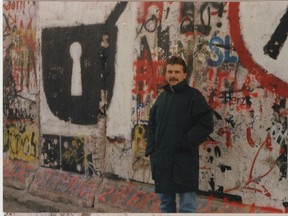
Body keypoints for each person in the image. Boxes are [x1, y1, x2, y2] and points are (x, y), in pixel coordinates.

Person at [145, 56, 214, 213]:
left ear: (184, 74)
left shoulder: (194, 97)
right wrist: (152, 148)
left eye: (177, 72)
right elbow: (152, 123)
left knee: (187, 207)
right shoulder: (162, 97)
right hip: (162, 161)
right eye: (170, 72)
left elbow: (206, 124)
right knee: (165, 205)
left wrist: (184, 142)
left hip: (183, 161)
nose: (173, 75)